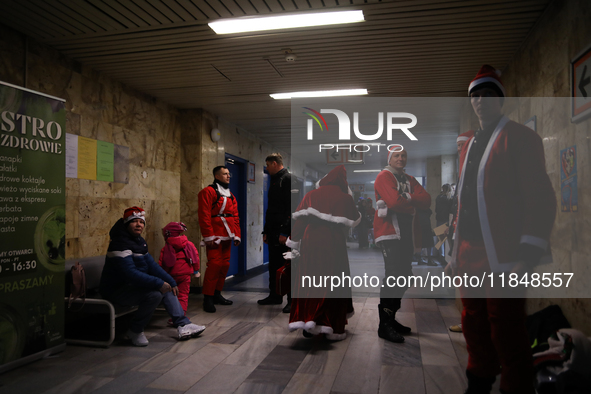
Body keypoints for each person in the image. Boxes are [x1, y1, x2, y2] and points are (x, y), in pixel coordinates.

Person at [448, 65, 556, 394]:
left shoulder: (521, 138)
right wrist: (453, 254)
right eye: (475, 96)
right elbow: (464, 204)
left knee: (507, 332)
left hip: (505, 256)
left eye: (488, 94)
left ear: (500, 99)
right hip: (468, 255)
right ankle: (478, 384)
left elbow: (540, 200)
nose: (481, 101)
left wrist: (526, 256)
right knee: (473, 325)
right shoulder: (467, 146)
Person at [99, 207, 206, 347]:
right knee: (155, 294)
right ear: (126, 224)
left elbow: (152, 266)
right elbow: (130, 274)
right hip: (116, 290)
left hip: (132, 287)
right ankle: (135, 330)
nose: (139, 225)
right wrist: (159, 283)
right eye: (134, 222)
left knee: (167, 287)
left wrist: (171, 281)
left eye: (141, 222)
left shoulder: (138, 241)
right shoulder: (119, 244)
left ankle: (183, 324)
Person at [287, 165, 360, 340]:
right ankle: (330, 324)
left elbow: (299, 221)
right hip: (334, 240)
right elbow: (355, 219)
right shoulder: (345, 198)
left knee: (310, 278)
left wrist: (294, 242)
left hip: (311, 238)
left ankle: (308, 319)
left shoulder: (311, 194)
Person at [374, 148, 431, 343]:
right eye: (396, 155)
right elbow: (393, 202)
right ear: (390, 158)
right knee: (394, 277)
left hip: (407, 235)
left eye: (404, 155)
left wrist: (408, 198)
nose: (401, 158)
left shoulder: (409, 178)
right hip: (390, 234)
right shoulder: (384, 176)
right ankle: (384, 325)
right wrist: (412, 203)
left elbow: (427, 200)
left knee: (404, 277)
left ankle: (391, 318)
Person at [198, 166, 241, 313]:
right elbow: (204, 215)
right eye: (225, 174)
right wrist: (208, 236)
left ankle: (217, 294)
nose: (228, 176)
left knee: (224, 265)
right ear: (217, 176)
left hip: (228, 235)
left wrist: (237, 234)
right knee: (214, 265)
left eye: (229, 174)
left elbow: (235, 216)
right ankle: (208, 298)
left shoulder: (231, 196)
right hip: (214, 236)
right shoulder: (207, 192)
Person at [258, 153, 293, 313]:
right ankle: (275, 295)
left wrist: (285, 232)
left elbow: (290, 208)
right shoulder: (274, 181)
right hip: (272, 231)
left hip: (283, 232)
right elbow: (270, 210)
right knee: (274, 265)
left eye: (267, 165)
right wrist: (266, 231)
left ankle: (292, 300)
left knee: (288, 266)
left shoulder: (287, 179)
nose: (266, 168)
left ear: (274, 163)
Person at [158, 222, 200, 319]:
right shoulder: (189, 244)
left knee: (172, 296)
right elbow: (195, 258)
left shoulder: (166, 248)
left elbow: (162, 263)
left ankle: (174, 315)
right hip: (185, 275)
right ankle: (181, 316)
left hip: (170, 275)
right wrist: (196, 271)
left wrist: (162, 276)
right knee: (183, 296)